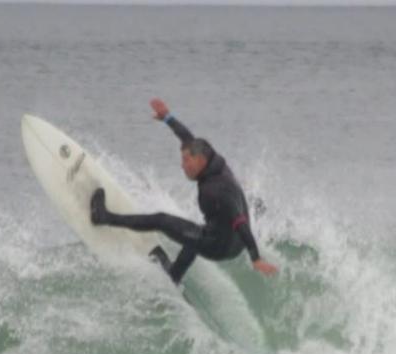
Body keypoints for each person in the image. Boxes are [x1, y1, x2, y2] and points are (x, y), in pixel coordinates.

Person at [89, 98, 279, 285]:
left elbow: (240, 222)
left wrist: (256, 258)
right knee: (193, 234)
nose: (182, 166)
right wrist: (167, 117)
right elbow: (187, 138)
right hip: (230, 240)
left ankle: (104, 217)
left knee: (162, 220)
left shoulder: (214, 190)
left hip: (221, 247)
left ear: (200, 160)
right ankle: (175, 275)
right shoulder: (213, 160)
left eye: (186, 161)